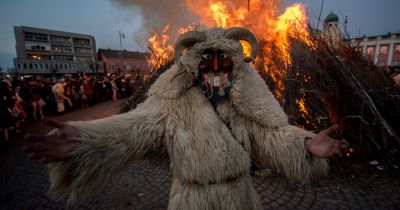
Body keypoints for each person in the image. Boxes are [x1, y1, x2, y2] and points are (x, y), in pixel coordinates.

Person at [22, 27, 348, 209]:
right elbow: (132, 128)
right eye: (208, 58)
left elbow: (271, 135)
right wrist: (82, 140)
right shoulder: (172, 101)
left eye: (224, 59)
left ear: (235, 63)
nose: (217, 66)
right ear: (194, 63)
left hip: (240, 198)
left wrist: (305, 144)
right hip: (193, 201)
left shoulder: (243, 103)